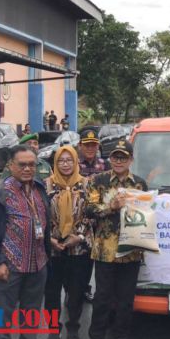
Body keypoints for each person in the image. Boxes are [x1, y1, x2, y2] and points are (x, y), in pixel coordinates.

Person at [0, 146, 51, 339]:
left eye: (32, 164)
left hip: (38, 262)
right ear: (11, 166)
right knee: (4, 312)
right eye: (22, 165)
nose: (28, 169)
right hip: (10, 264)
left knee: (31, 309)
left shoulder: (39, 188)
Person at [86, 140, 147, 339]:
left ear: (131, 160)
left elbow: (147, 215)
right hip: (105, 250)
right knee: (102, 297)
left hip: (131, 251)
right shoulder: (98, 181)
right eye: (115, 157)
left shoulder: (139, 185)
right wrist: (110, 206)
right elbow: (89, 209)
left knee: (125, 299)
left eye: (123, 157)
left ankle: (121, 338)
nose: (119, 161)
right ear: (110, 159)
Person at [44, 146, 92, 339]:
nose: (65, 164)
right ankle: (53, 329)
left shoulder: (86, 184)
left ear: (75, 162)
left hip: (79, 249)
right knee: (52, 293)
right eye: (61, 160)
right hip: (53, 249)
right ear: (55, 163)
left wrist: (79, 236)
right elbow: (38, 214)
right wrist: (49, 239)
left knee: (76, 291)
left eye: (69, 160)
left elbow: (92, 213)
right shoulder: (45, 184)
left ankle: (73, 326)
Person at [78, 129, 110, 302]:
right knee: (83, 258)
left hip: (101, 217)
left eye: (93, 145)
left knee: (102, 258)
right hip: (81, 218)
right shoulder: (74, 164)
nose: (90, 148)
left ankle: (102, 293)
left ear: (98, 146)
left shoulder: (106, 165)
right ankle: (80, 289)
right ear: (80, 145)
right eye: (87, 144)